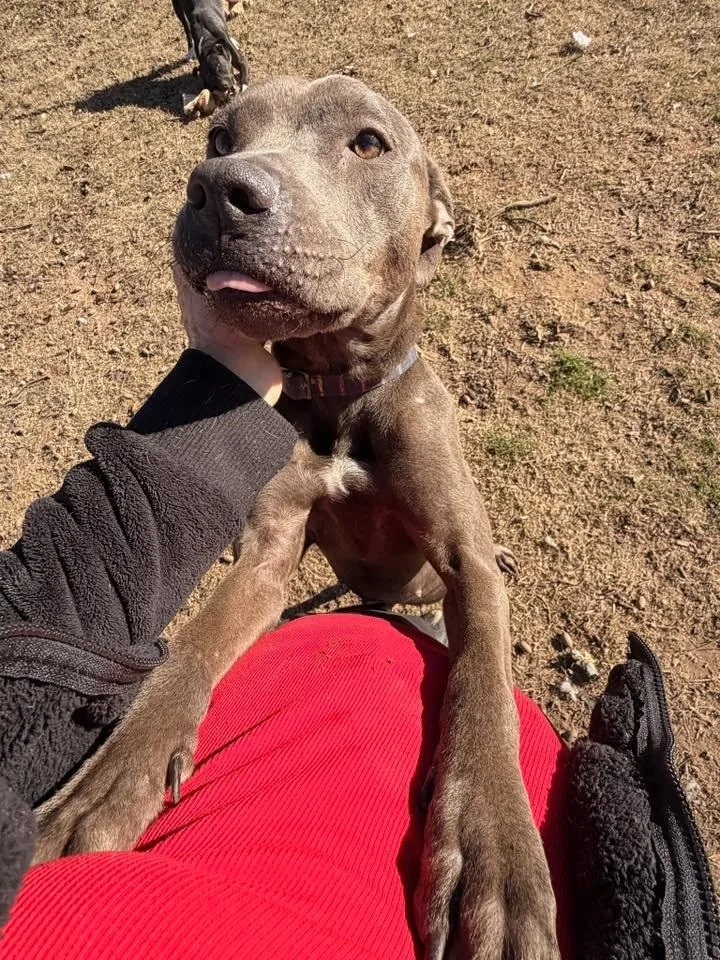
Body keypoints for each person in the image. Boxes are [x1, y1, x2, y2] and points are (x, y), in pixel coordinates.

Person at [0, 275, 716, 960]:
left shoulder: (418, 409)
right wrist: (161, 711)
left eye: (367, 142)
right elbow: (265, 568)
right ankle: (398, 639)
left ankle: (414, 635)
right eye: (223, 139)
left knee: (462, 576)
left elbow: (473, 572)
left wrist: (489, 780)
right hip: (326, 666)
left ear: (431, 234)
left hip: (417, 590)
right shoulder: (282, 420)